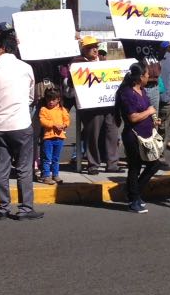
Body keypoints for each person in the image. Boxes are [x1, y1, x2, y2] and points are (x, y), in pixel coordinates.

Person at [0, 30, 42, 220]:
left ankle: (3, 207)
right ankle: (25, 209)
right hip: (21, 124)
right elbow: (31, 97)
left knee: (1, 169)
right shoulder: (26, 68)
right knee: (23, 169)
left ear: (2, 48)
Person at [115, 61, 162, 213]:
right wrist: (149, 112)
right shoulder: (127, 93)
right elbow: (133, 117)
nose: (149, 77)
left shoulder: (142, 90)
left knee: (154, 164)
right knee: (135, 168)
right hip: (133, 137)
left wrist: (154, 119)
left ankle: (133, 192)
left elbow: (148, 109)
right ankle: (133, 199)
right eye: (147, 75)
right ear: (140, 77)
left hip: (147, 136)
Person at [74, 36, 121, 173]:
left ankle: (112, 163)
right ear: (84, 49)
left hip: (109, 105)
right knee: (92, 135)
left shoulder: (103, 61)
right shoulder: (78, 63)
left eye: (96, 46)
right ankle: (93, 164)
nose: (95, 49)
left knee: (112, 133)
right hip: (91, 107)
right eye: (91, 47)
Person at [37, 88, 69, 184]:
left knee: (56, 158)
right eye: (48, 99)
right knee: (47, 158)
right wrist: (54, 124)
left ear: (58, 99)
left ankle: (55, 175)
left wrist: (64, 125)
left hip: (59, 138)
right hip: (48, 138)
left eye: (53, 100)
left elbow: (67, 120)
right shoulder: (43, 109)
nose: (50, 102)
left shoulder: (62, 109)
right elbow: (43, 121)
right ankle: (46, 176)